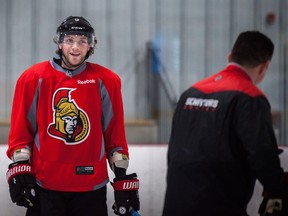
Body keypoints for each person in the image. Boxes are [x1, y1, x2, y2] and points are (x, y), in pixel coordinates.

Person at [6, 16, 140, 216]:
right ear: (59, 43)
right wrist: (20, 168)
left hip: (91, 186)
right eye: (69, 40)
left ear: (90, 46)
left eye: (82, 41)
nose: (75, 47)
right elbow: (21, 132)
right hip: (46, 184)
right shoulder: (33, 78)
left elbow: (115, 135)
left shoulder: (107, 81)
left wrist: (121, 177)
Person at [162, 31, 288, 216]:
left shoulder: (190, 93)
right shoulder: (250, 98)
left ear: (230, 56)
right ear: (263, 68)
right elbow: (262, 156)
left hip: (176, 203)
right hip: (219, 206)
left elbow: (173, 153)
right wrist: (279, 190)